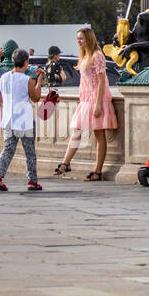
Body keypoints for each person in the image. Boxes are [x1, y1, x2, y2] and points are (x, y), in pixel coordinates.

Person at [55, 27, 117, 181]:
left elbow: (102, 81)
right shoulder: (84, 56)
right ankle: (66, 163)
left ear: (89, 39)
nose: (79, 41)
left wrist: (97, 104)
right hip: (86, 99)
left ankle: (97, 170)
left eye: (81, 38)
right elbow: (84, 81)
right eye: (77, 39)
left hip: (96, 98)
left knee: (99, 135)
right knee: (76, 129)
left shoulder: (97, 55)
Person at [0, 49, 44, 191]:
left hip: (8, 118)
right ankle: (32, 181)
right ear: (26, 62)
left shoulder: (4, 77)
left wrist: (7, 104)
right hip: (24, 121)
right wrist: (39, 81)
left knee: (8, 149)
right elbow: (36, 97)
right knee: (30, 151)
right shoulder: (27, 80)